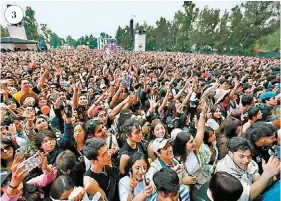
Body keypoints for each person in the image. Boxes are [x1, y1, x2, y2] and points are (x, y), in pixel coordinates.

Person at [215, 136, 280, 201]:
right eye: (241, 156)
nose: (246, 160)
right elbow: (247, 196)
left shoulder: (250, 162)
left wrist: (272, 175)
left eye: (249, 156)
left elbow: (258, 182)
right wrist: (266, 174)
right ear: (230, 154)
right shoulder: (224, 171)